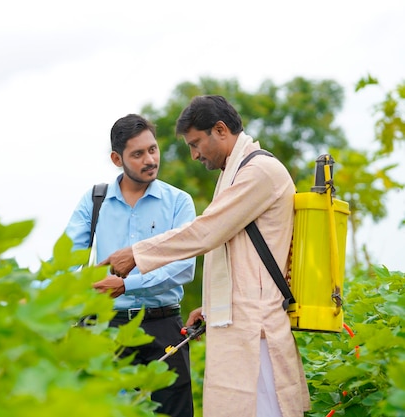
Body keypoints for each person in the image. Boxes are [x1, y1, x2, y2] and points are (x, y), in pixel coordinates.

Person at [100, 96, 311, 417]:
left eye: (196, 143)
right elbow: (242, 258)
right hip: (243, 321)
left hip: (258, 329)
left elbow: (206, 232)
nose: (194, 154)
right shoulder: (238, 171)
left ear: (221, 130)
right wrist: (213, 306)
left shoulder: (259, 172)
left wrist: (137, 254)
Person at [64, 113, 197, 417]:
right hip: (105, 328)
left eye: (153, 149)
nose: (150, 159)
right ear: (116, 158)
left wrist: (126, 284)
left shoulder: (179, 202)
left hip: (163, 326)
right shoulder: (94, 200)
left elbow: (183, 267)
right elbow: (68, 260)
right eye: (138, 154)